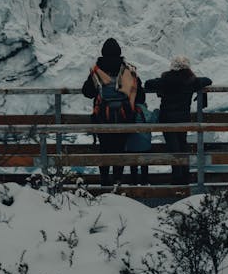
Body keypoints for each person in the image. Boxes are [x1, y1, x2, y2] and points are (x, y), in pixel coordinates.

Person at [82, 37, 145, 187]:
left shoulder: (97, 71)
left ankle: (104, 181)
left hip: (102, 118)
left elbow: (87, 92)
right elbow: (140, 96)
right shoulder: (128, 71)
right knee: (120, 149)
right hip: (125, 118)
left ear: (103, 52)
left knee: (104, 149)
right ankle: (117, 180)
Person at [145, 56, 211, 185]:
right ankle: (185, 177)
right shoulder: (191, 81)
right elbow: (208, 80)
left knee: (173, 148)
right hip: (183, 119)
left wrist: (160, 82)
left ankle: (177, 178)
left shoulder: (165, 80)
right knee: (182, 145)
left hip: (167, 119)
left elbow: (148, 84)